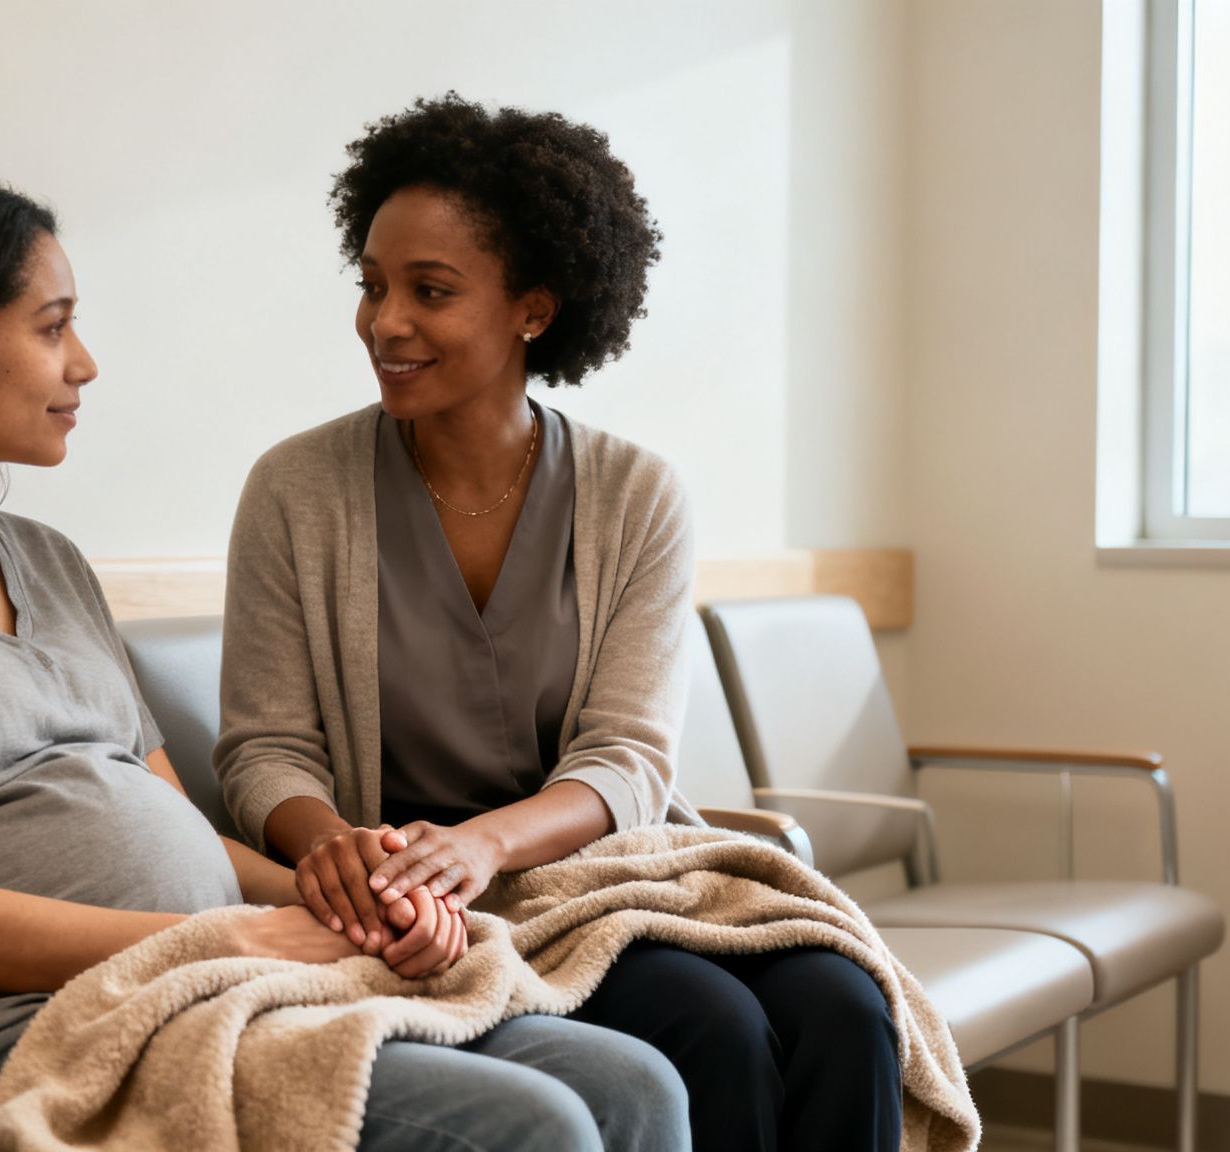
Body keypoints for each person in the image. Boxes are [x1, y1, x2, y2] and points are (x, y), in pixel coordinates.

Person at [0, 168, 688, 1152]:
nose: (82, 364)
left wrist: (351, 904)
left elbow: (179, 827)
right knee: (533, 1126)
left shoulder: (46, 562)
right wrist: (228, 938)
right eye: (51, 327)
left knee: (629, 1081)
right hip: (23, 1033)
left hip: (213, 987)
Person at [216, 95, 902, 1152]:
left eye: (428, 291)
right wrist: (344, 853)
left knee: (849, 1010)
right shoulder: (295, 489)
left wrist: (482, 844)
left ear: (533, 309)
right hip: (418, 908)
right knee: (711, 1026)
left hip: (587, 870)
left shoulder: (636, 494)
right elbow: (263, 748)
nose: (382, 321)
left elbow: (627, 755)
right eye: (371, 285)